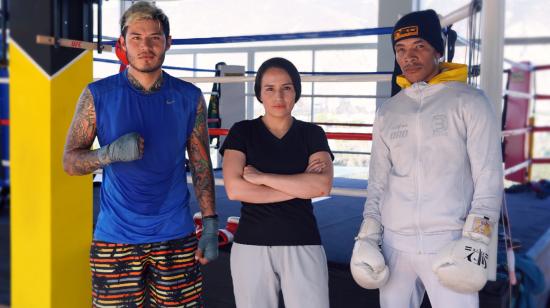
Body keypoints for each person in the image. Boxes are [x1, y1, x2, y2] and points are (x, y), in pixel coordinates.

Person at [63, 2, 218, 306]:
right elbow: (70, 162)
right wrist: (108, 153)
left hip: (176, 236)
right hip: (115, 238)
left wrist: (211, 223)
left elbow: (201, 164)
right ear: (122, 44)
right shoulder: (98, 94)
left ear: (168, 43)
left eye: (154, 38)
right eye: (136, 37)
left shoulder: (188, 97)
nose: (145, 46)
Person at [350, 9, 503, 308]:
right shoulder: (388, 111)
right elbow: (377, 182)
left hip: (449, 242)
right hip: (395, 245)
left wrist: (476, 238)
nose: (409, 57)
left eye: (419, 46)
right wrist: (367, 236)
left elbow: (488, 176)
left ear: (438, 49)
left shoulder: (470, 101)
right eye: (401, 49)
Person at [220, 57, 334, 308]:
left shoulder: (312, 133)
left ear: (296, 91)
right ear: (259, 93)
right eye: (269, 88)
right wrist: (300, 186)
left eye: (286, 87)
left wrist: (262, 178)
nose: (278, 96)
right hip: (251, 244)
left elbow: (322, 186)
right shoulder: (242, 131)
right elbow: (234, 188)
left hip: (303, 240)